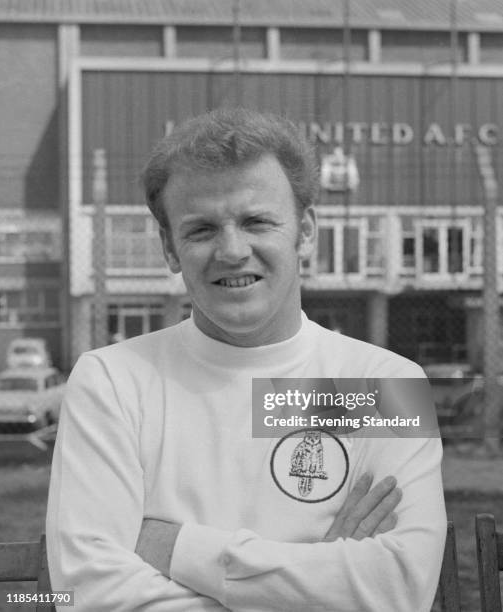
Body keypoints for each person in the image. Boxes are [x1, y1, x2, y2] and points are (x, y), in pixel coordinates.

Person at [46, 108, 446, 611]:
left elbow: (398, 590)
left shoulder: (384, 385)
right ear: (170, 248)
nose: (232, 251)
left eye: (256, 221)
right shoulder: (112, 382)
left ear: (305, 232)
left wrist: (178, 549)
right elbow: (87, 595)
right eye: (201, 230)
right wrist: (316, 582)